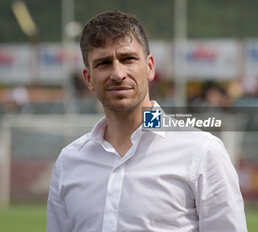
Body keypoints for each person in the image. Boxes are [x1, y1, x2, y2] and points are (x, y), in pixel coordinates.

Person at [46, 10, 247, 232]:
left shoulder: (202, 151)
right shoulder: (69, 162)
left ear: (150, 67)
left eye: (128, 59)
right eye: (104, 63)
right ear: (88, 79)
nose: (118, 73)